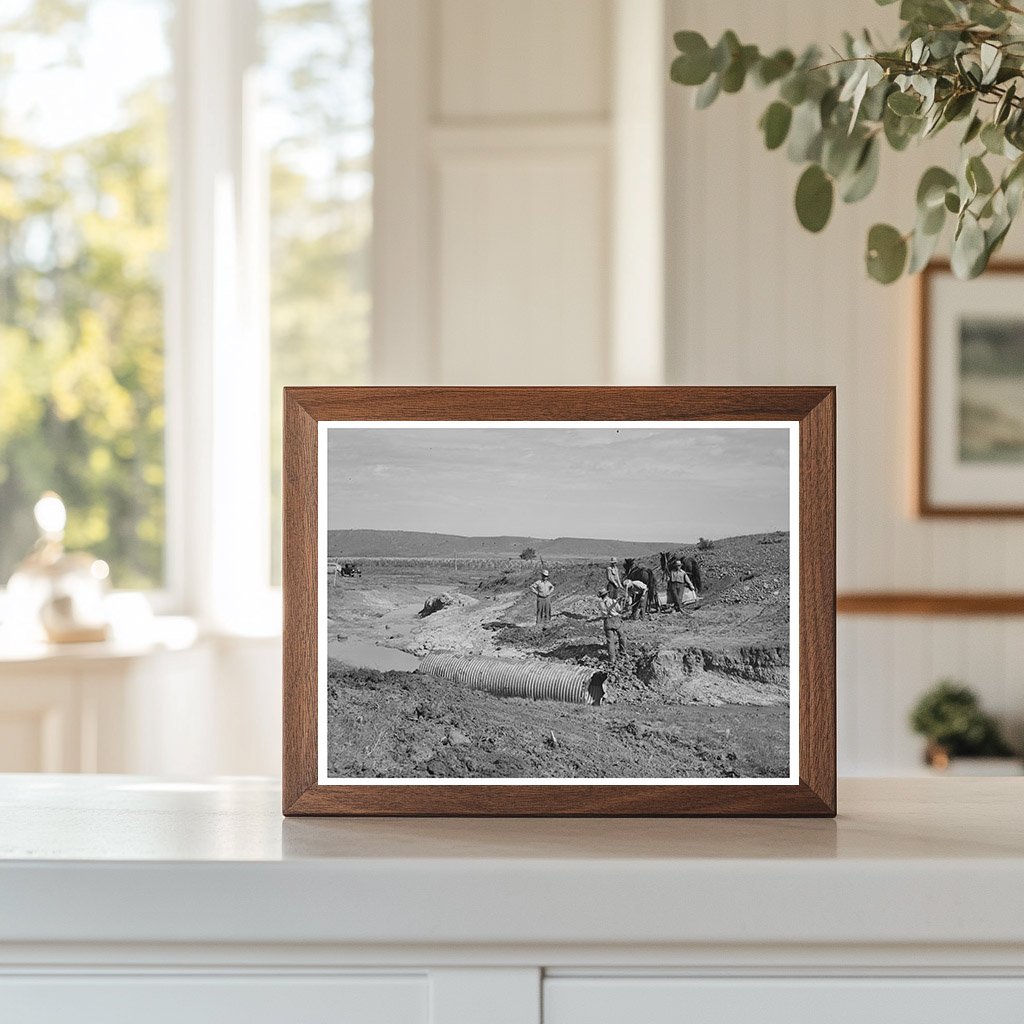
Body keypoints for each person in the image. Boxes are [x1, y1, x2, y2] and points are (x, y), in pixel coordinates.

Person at [597, 586, 627, 665]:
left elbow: (602, 612)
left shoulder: (600, 604)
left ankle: (612, 659)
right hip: (616, 620)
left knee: (610, 641)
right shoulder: (613, 601)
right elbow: (619, 610)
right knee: (621, 636)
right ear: (607, 594)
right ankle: (623, 652)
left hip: (607, 621)